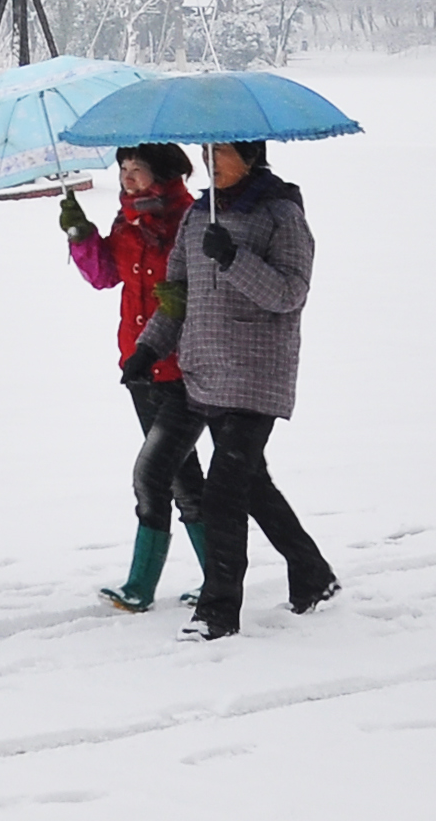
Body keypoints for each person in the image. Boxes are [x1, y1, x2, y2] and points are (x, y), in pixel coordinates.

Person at [132, 137, 339, 639]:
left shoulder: (281, 214)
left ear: (250, 155)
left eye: (221, 152)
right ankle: (312, 573)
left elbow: (291, 294)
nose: (210, 162)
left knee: (225, 493)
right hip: (201, 369)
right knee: (233, 482)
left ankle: (218, 612)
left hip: (254, 376)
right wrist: (149, 348)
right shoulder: (200, 213)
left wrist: (234, 259)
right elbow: (178, 292)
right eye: (206, 153)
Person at [58, 143, 210, 613]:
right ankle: (211, 577)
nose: (127, 178)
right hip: (140, 366)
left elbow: (216, 284)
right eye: (123, 169)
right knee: (182, 477)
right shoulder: (127, 222)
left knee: (158, 475)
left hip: (187, 369)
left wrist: (188, 296)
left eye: (137, 170)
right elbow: (106, 275)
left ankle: (146, 585)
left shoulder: (193, 220)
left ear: (162, 174)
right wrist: (82, 235)